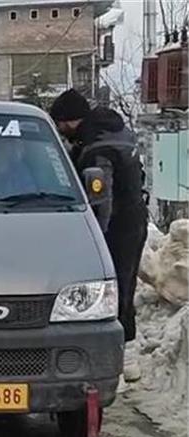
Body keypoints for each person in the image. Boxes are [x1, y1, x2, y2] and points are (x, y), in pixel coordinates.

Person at [50, 88, 148, 383]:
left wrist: (93, 242)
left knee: (110, 287)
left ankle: (120, 359)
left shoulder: (97, 151)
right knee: (125, 285)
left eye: (61, 124)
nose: (61, 130)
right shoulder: (116, 131)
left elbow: (100, 202)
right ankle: (126, 353)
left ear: (70, 120)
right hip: (135, 220)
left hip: (115, 228)